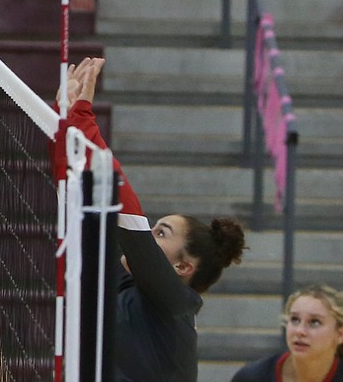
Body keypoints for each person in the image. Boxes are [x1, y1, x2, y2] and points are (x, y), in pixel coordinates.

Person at [61, 57, 247, 382]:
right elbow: (76, 195)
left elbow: (125, 212)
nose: (148, 234)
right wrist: (64, 121)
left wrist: (82, 118)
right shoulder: (127, 284)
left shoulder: (174, 305)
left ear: (182, 267)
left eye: (162, 233)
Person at [231, 285, 343, 382]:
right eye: (295, 320)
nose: (299, 331)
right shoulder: (252, 377)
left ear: (340, 334)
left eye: (314, 322)